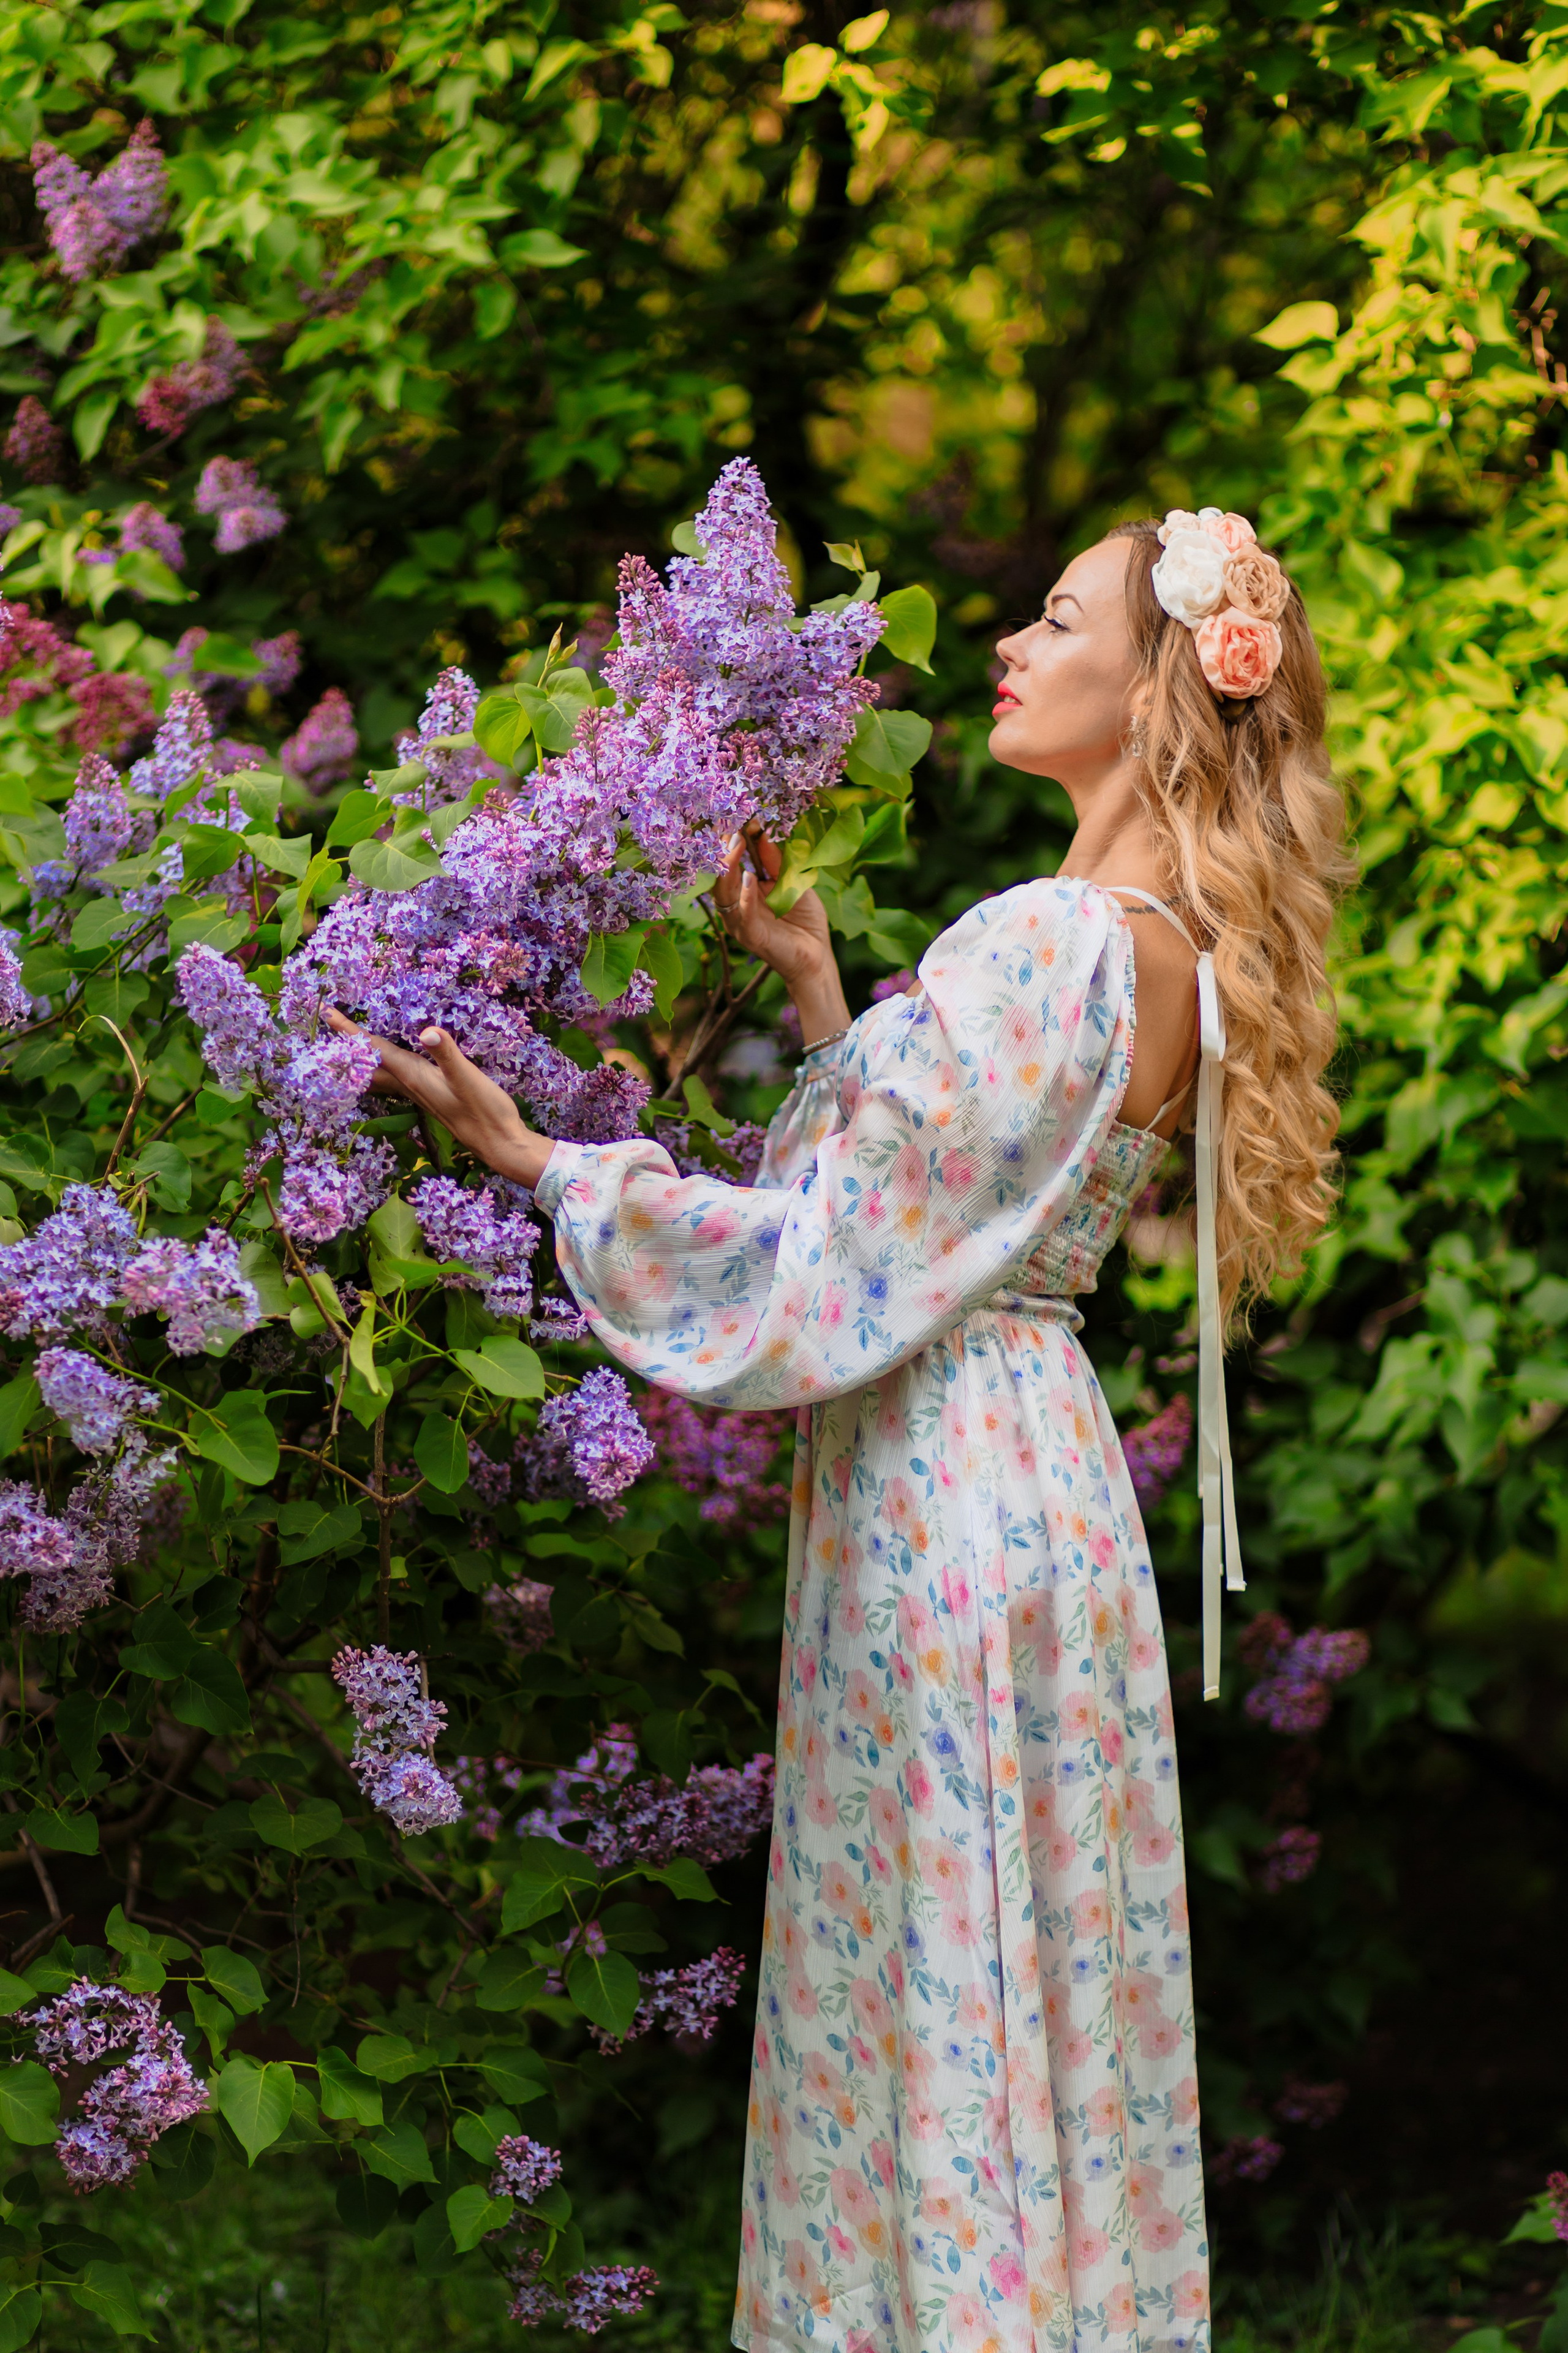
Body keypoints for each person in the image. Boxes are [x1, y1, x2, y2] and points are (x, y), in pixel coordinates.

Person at [330, 509, 1348, 2353]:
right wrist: (817, 986)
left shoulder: (1044, 936)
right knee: (1027, 1964)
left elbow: (834, 1259)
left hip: (942, 1490)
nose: (1009, 653)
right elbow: (944, 1203)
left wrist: (549, 1164)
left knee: (930, 1957)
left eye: (1054, 624)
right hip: (1044, 1480)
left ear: (1156, 701)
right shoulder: (1164, 954)